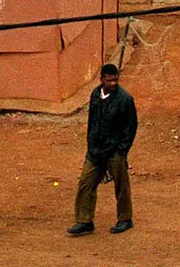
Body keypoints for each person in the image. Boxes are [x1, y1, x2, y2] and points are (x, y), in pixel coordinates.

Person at [67, 63, 138, 237]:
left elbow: (131, 127)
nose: (113, 83)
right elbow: (92, 121)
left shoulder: (125, 99)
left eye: (115, 80)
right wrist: (91, 143)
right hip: (95, 150)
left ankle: (125, 219)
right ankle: (84, 221)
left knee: (121, 187)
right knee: (85, 183)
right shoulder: (95, 95)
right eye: (109, 80)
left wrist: (122, 150)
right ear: (102, 79)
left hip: (114, 151)